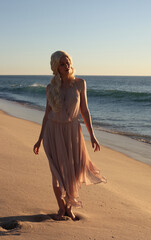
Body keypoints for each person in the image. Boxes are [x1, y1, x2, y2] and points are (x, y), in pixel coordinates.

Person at [33, 50, 106, 221]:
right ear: (56, 67)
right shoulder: (50, 88)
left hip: (73, 132)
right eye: (62, 64)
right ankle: (60, 207)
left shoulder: (80, 84)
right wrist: (39, 139)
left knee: (73, 172)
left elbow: (85, 111)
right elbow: (46, 114)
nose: (67, 67)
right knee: (57, 174)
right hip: (53, 131)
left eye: (68, 63)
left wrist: (93, 136)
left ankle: (68, 207)